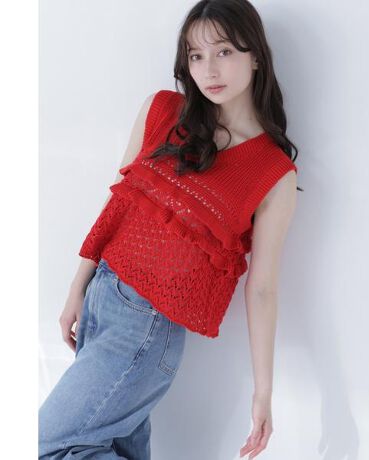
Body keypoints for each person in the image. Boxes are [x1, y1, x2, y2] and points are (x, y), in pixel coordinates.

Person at [38, 0, 302, 458]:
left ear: (256, 56)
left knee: (49, 444)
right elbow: (117, 204)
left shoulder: (272, 172)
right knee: (103, 445)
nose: (209, 69)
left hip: (145, 328)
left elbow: (262, 289)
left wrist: (263, 393)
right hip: (101, 300)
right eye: (196, 56)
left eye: (224, 52)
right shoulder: (162, 110)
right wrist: (78, 285)